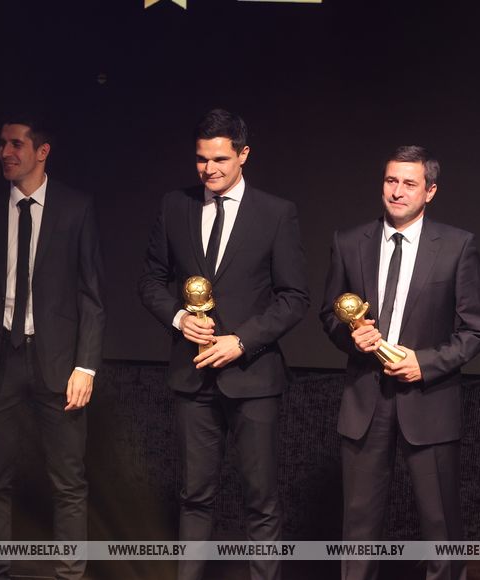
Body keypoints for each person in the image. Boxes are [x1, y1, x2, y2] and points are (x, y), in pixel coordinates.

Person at [138, 108, 309, 580]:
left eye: (219, 159)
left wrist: (242, 340)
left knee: (261, 500)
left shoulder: (276, 213)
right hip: (191, 377)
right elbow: (151, 280)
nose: (208, 169)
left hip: (253, 378)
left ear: (243, 154)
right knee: (194, 496)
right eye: (201, 159)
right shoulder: (175, 205)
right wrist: (179, 319)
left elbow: (294, 297)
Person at [320, 145, 480, 580]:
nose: (397, 192)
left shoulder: (457, 246)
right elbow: (330, 314)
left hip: (428, 399)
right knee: (358, 526)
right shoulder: (349, 242)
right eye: (391, 181)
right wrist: (352, 338)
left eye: (409, 184)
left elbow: (477, 330)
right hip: (365, 399)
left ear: (430, 191)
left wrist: (425, 363)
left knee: (441, 525)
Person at [0, 115, 105, 580]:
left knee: (69, 482)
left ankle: (69, 574)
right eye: (2, 144)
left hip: (57, 363)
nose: (5, 152)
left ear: (42, 151)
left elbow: (92, 297)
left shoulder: (76, 208)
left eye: (16, 144)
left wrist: (86, 367)